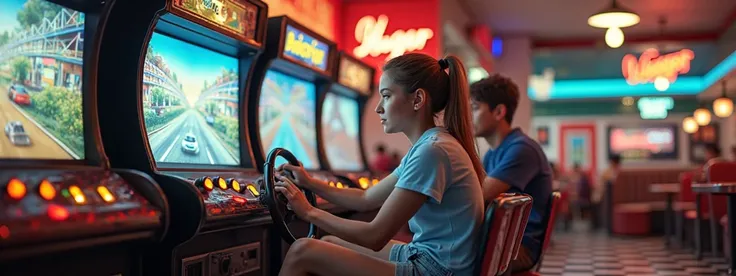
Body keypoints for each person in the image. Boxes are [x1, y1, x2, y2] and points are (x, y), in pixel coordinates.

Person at [273, 53, 485, 276]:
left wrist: (308, 212)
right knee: (328, 241)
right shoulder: (430, 145)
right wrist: (309, 182)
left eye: (387, 96)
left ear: (418, 100)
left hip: (437, 269)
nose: (379, 108)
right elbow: (366, 199)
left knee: (302, 250)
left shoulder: (433, 151)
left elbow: (375, 236)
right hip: (429, 257)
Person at [469, 74, 552, 272]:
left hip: (519, 247)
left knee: (445, 256)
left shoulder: (522, 149)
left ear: (498, 112)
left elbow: (477, 195)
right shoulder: (493, 153)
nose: (468, 117)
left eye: (474, 108)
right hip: (503, 240)